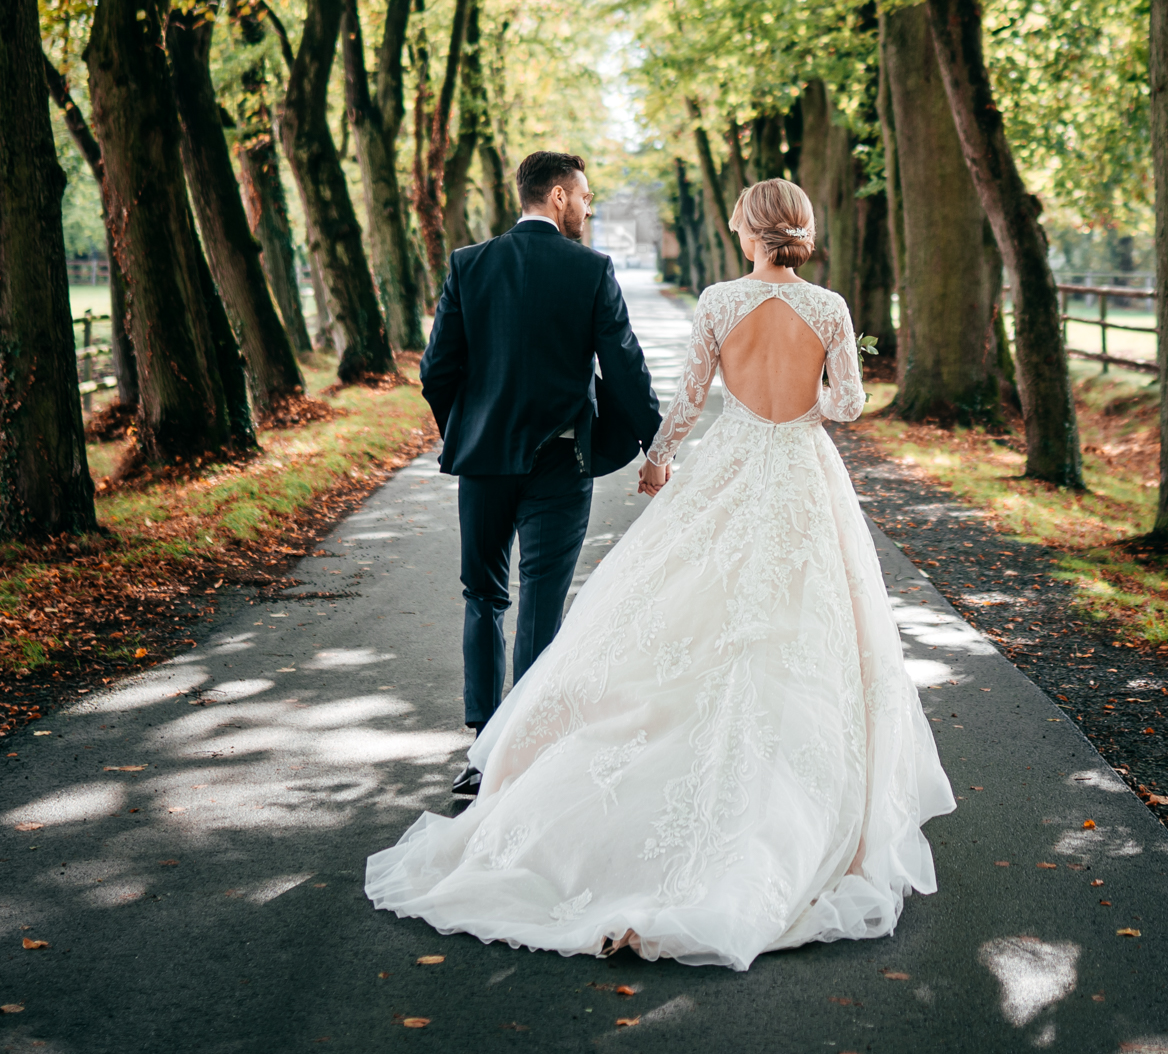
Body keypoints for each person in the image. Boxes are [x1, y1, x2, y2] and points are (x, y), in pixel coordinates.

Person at [367, 178, 956, 971]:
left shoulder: (718, 300)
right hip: (803, 472)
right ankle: (801, 808)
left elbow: (686, 399)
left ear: (746, 229)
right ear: (803, 231)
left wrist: (662, 460)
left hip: (734, 458)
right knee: (804, 624)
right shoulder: (830, 309)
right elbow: (848, 405)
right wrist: (801, 402)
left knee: (679, 614)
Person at [417, 149, 663, 803]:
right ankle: (520, 755)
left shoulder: (470, 265)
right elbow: (627, 369)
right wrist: (653, 444)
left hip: (484, 462)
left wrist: (467, 430)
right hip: (561, 462)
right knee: (541, 605)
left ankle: (479, 752)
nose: (588, 207)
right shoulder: (589, 269)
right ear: (557, 196)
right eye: (584, 196)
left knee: (484, 597)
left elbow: (438, 370)